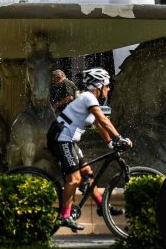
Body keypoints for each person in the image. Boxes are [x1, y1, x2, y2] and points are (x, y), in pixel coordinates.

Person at [46, 68, 131, 232]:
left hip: (69, 140)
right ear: (98, 85)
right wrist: (119, 137)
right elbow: (102, 118)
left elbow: (98, 124)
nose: (108, 88)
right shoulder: (88, 97)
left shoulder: (90, 101)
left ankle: (102, 206)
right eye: (107, 85)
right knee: (74, 179)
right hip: (61, 139)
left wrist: (110, 143)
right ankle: (64, 216)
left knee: (87, 172)